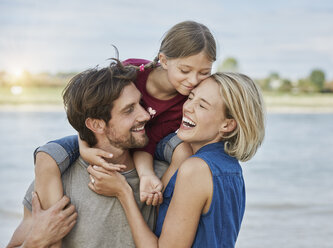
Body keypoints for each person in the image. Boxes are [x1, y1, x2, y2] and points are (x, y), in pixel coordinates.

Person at [33, 20, 217, 219]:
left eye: (204, 73)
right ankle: (49, 223)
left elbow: (150, 140)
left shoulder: (185, 102)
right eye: (185, 71)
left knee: (182, 151)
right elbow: (92, 107)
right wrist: (84, 147)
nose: (193, 81)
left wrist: (146, 174)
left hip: (145, 139)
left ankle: (161, 210)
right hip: (111, 132)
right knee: (48, 155)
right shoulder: (132, 72)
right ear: (163, 60)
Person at [87, 72, 266, 247]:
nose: (188, 107)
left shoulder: (196, 169)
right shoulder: (231, 168)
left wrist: (122, 192)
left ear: (227, 124)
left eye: (202, 106)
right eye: (191, 97)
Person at [7, 59, 171, 247]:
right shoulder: (56, 179)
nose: (145, 115)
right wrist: (35, 242)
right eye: (129, 110)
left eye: (140, 103)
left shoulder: (160, 178)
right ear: (96, 125)